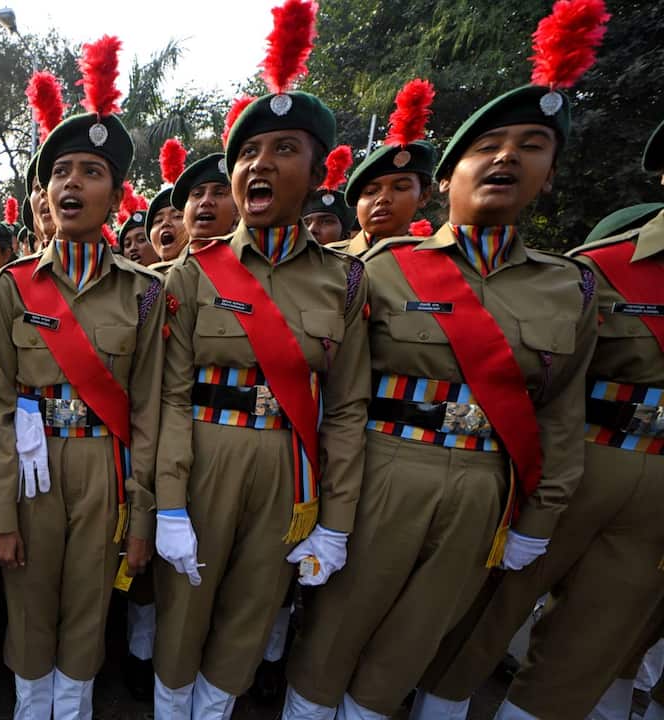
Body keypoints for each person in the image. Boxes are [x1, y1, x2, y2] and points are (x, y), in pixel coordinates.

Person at [285, 7, 604, 716]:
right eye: (486, 145)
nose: (506, 159)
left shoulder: (571, 286)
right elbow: (340, 398)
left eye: (531, 147)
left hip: (484, 487)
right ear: (453, 175)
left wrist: (537, 519)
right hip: (382, 472)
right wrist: (332, 513)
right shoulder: (383, 271)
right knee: (333, 632)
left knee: (413, 641)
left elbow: (560, 414)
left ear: (549, 177)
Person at [153, 5, 371, 715]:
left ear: (315, 171)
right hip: (204, 458)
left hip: (289, 465)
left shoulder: (344, 279)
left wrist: (335, 520)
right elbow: (172, 396)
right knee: (183, 611)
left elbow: (345, 405)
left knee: (253, 611)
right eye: (248, 153)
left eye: (283, 149)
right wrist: (171, 503)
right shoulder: (193, 272)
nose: (260, 165)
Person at [413, 117, 664, 720]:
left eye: (531, 149)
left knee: (597, 636)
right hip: (576, 464)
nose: (509, 160)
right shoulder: (597, 271)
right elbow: (549, 385)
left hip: (655, 495)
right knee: (486, 614)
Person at [0, 36, 164, 719]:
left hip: (105, 464)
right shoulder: (9, 287)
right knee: (28, 606)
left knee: (90, 602)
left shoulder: (145, 293)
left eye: (91, 171)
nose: (71, 184)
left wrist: (145, 511)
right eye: (59, 171)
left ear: (116, 196)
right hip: (29, 467)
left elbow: (151, 409)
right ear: (43, 190)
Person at [337, 80, 439, 255]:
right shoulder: (328, 262)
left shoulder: (438, 263)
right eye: (370, 191)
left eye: (400, 187)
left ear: (423, 195)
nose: (383, 199)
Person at [171, 152, 237, 249]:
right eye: (197, 194)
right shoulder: (174, 265)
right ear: (183, 214)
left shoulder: (258, 262)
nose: (206, 201)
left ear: (237, 210)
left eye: (219, 193)